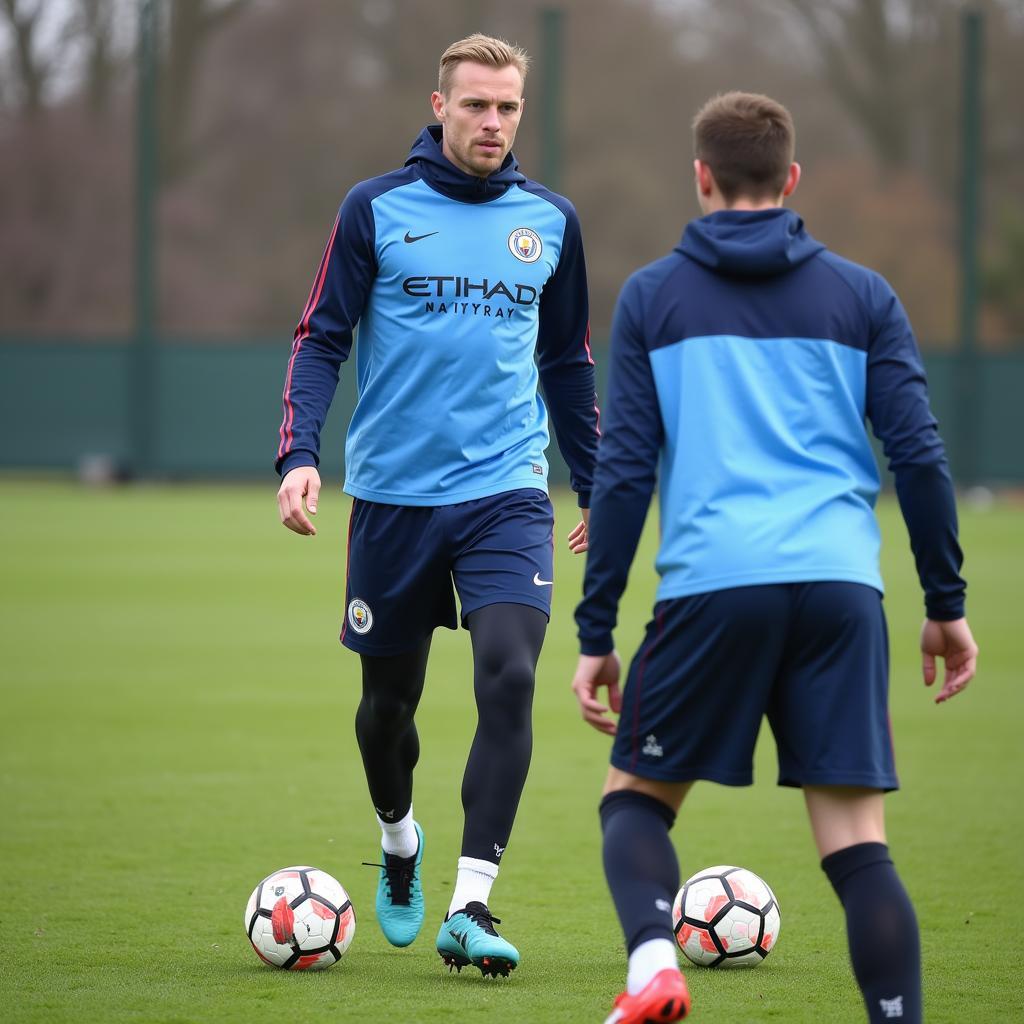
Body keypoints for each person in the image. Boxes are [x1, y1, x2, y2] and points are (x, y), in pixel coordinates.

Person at [571, 91, 978, 1024]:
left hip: (715, 588)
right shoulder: (863, 295)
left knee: (634, 800)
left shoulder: (652, 296)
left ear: (701, 177)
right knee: (855, 843)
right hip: (842, 591)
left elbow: (624, 474)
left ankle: (652, 966)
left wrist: (597, 631)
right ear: (792, 180)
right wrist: (945, 601)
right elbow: (917, 457)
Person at [275, 33, 598, 978]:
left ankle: (471, 903)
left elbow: (568, 363)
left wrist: (603, 484)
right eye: (476, 106)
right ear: (439, 105)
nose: (493, 122)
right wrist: (299, 453)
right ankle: (399, 838)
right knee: (387, 710)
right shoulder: (375, 208)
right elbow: (320, 337)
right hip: (392, 501)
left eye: (508, 108)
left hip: (506, 492)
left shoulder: (551, 221)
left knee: (508, 675)